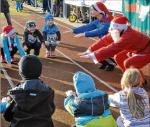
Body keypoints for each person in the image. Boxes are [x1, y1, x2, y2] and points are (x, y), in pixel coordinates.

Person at [80, 16, 150, 74]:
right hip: (138, 50)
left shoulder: (128, 36)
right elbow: (104, 40)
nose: (112, 30)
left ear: (120, 27)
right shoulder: (119, 31)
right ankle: (127, 75)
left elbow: (112, 48)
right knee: (118, 57)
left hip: (146, 51)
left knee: (128, 63)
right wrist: (90, 50)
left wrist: (93, 55)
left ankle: (137, 82)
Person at [3, 55, 55, 127]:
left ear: (20, 73)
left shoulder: (15, 93)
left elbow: (7, 117)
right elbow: (51, 110)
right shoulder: (49, 91)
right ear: (40, 72)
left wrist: (6, 103)